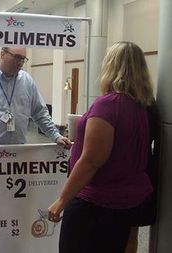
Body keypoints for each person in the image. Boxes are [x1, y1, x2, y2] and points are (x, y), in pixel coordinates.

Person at [48, 41, 157, 253]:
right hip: (123, 204)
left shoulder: (108, 104)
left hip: (94, 204)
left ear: (112, 66)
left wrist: (61, 200)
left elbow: (91, 161)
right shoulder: (143, 106)